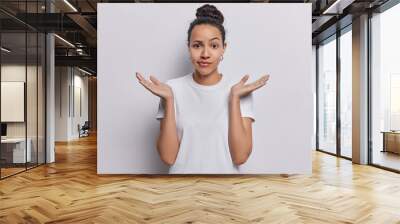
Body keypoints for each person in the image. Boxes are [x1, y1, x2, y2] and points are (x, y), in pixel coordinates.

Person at [136, 4, 269, 174]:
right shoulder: (171, 89)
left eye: (213, 46)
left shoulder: (239, 90)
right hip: (181, 190)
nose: (205, 54)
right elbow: (168, 158)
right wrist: (169, 100)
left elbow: (240, 157)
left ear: (223, 48)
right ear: (188, 47)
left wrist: (234, 99)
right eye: (197, 45)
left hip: (225, 192)